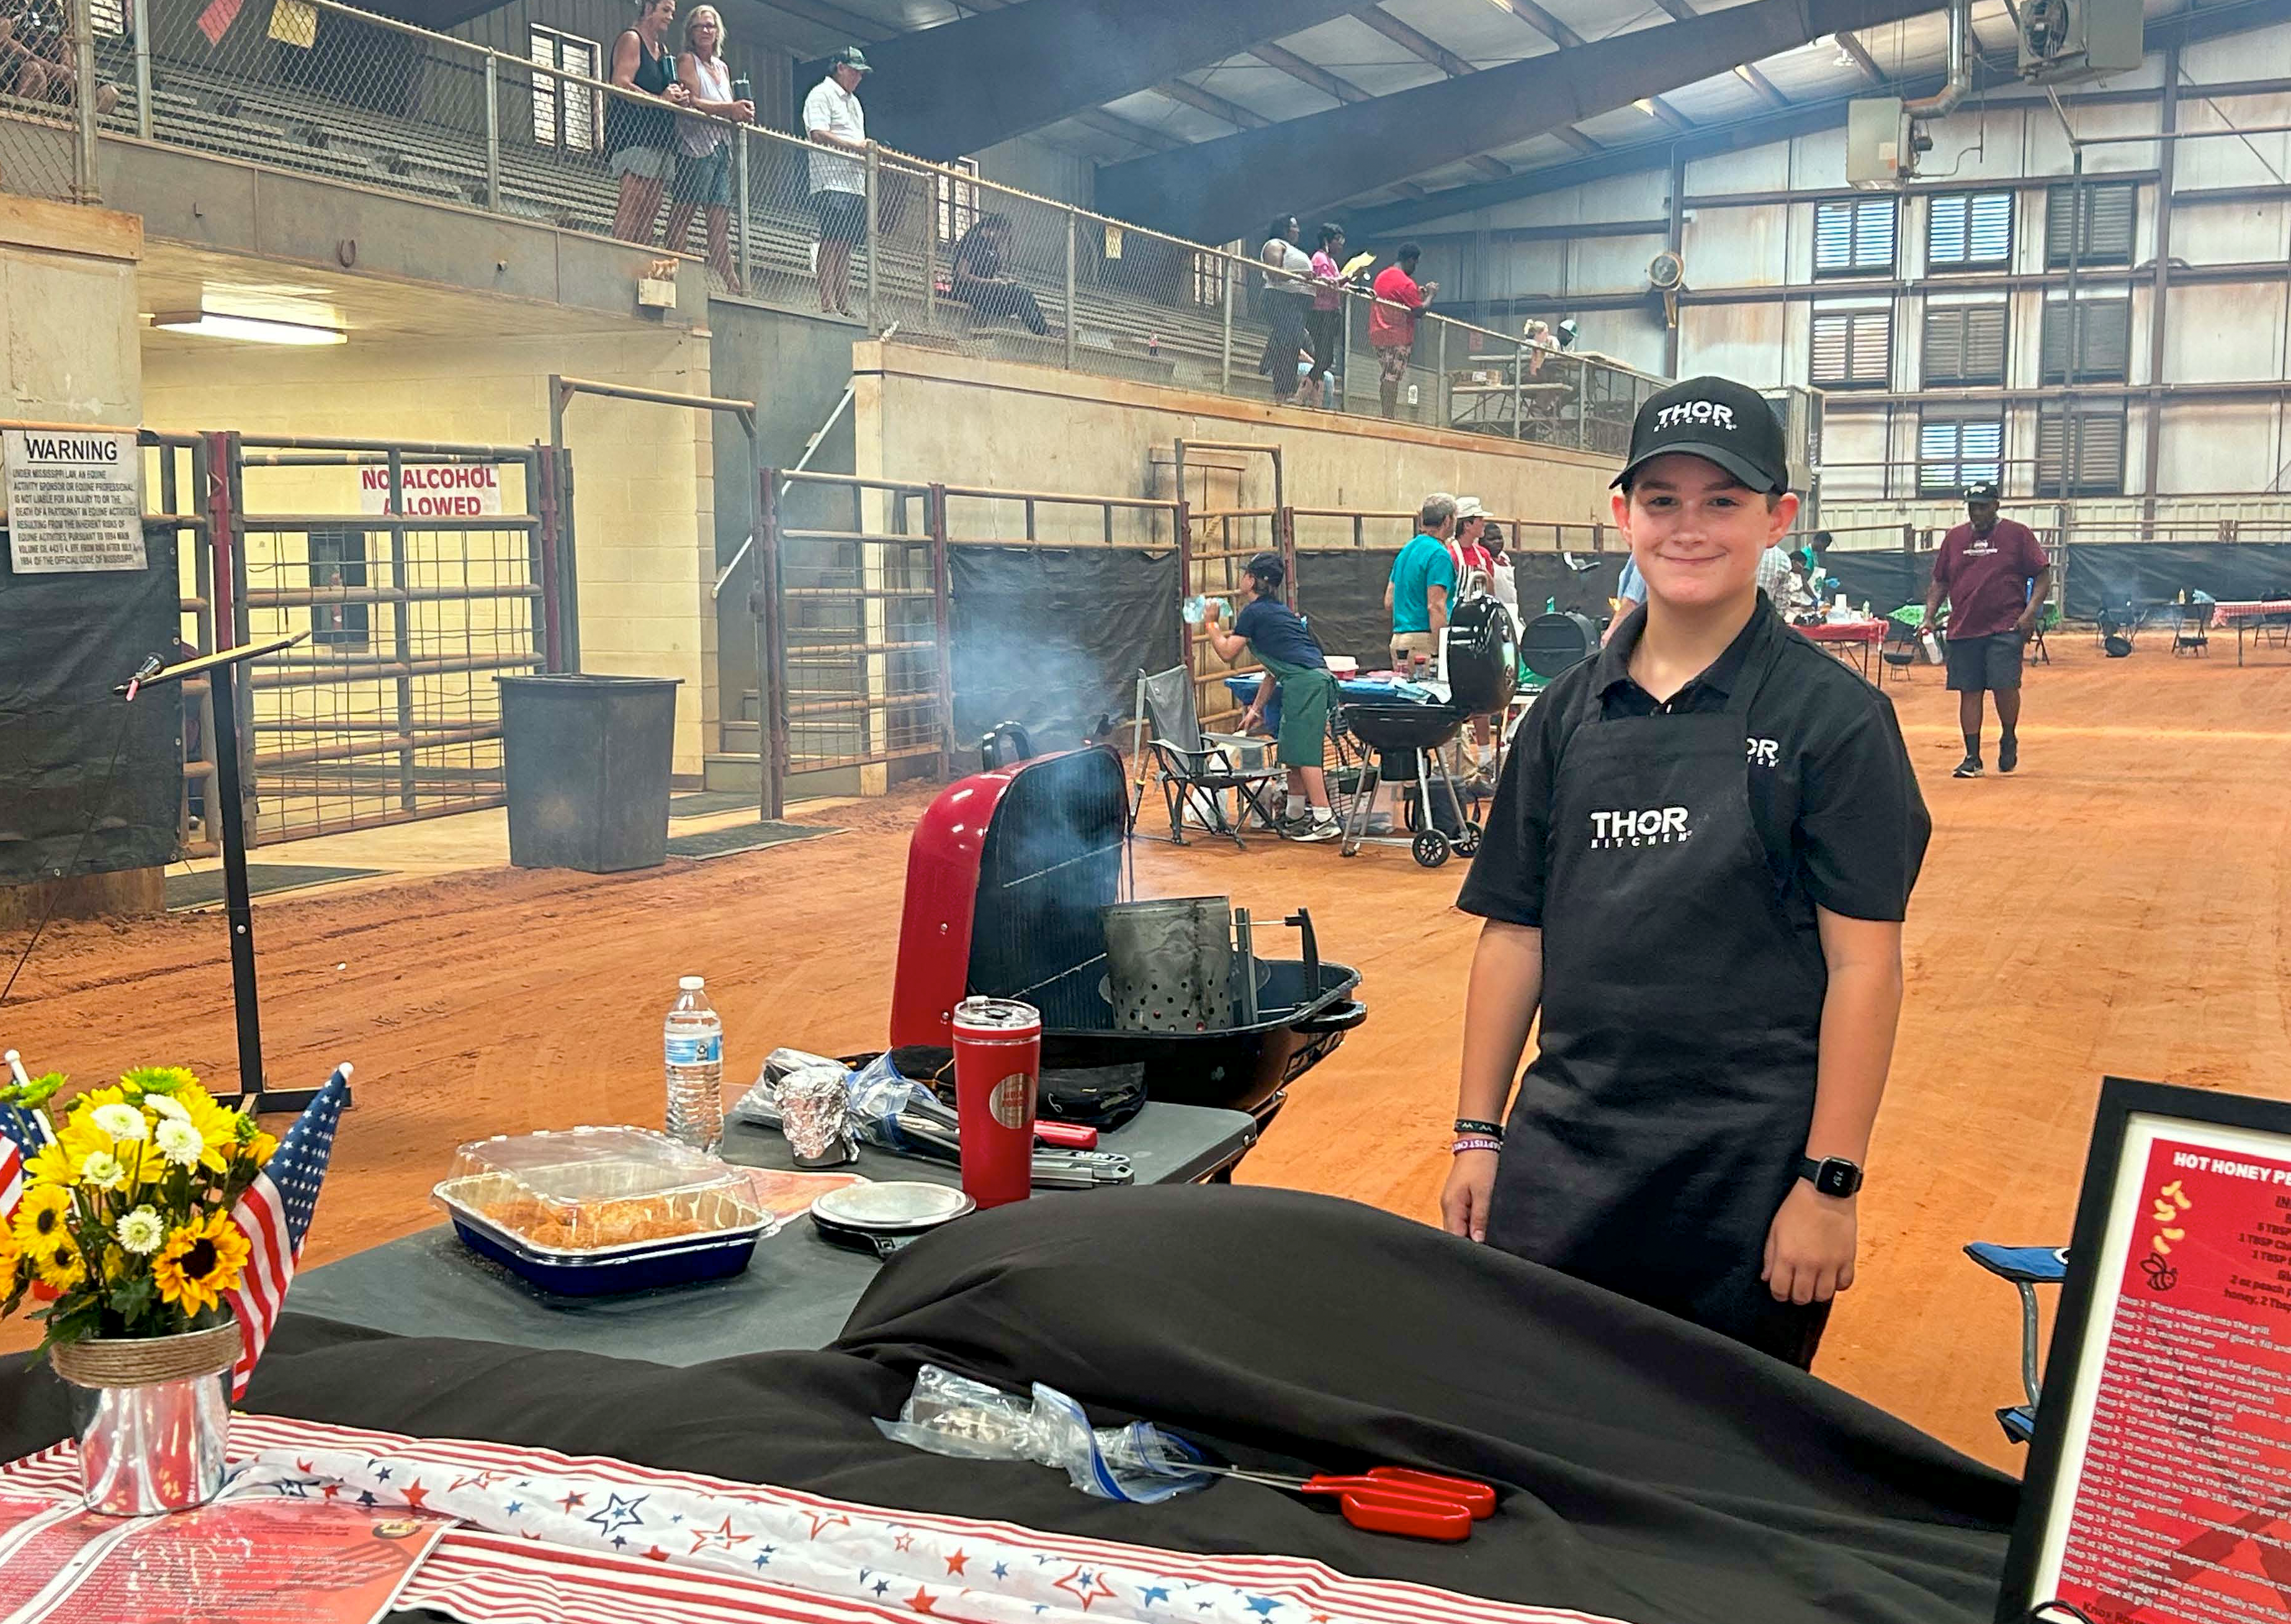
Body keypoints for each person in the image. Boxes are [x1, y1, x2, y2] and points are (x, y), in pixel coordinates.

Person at [1443, 374, 1929, 1370]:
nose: (1689, 528)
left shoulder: (1833, 722)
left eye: (1724, 501)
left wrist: (1829, 1183)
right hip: (1564, 1166)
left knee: (1720, 1472)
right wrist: (1478, 1135)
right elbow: (1515, 934)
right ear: (1623, 514)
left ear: (1778, 518)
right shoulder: (1566, 717)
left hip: (1744, 1184)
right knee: (1546, 1448)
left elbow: (1864, 969)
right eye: (1662, 500)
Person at [1200, 554, 1342, 843]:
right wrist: (1256, 709)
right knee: (1291, 751)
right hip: (1303, 681)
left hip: (1307, 683)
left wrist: (1211, 625)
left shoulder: (1254, 613)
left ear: (1251, 580)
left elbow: (1227, 652)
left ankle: (1325, 821)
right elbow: (1272, 672)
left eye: (1245, 575)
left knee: (1305, 754)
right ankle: (1295, 816)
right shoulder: (1276, 611)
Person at [1924, 482, 2050, 779]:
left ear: (1996, 505)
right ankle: (1972, 757)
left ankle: (2008, 736)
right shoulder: (1955, 539)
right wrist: (1929, 616)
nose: (1976, 513)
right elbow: (1941, 581)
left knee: (2005, 687)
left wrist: (2029, 613)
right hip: (1965, 626)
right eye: (1972, 507)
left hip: (2006, 625)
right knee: (1969, 691)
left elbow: (2042, 575)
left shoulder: (2017, 535)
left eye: (1982, 506)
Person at [665, 6, 753, 295]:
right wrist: (730, 109)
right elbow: (692, 101)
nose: (705, 31)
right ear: (690, 32)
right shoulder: (687, 60)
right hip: (695, 147)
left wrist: (738, 111)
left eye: (710, 26)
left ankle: (733, 284)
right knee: (684, 213)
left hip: (721, 148)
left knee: (719, 222)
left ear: (718, 32)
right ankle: (674, 273)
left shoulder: (722, 67)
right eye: (700, 26)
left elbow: (723, 105)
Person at [605, 0, 691, 247]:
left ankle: (641, 265)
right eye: (665, 10)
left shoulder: (663, 50)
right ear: (648, 9)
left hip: (661, 138)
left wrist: (677, 98)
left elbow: (666, 91)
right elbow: (621, 82)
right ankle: (621, 260)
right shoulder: (632, 39)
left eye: (672, 12)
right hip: (634, 133)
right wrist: (660, 99)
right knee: (634, 200)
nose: (670, 17)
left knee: (652, 207)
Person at [803, 46, 871, 317]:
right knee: (831, 239)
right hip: (831, 180)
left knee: (846, 244)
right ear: (840, 67)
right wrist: (856, 147)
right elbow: (818, 133)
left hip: (854, 182)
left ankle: (844, 302)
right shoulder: (821, 95)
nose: (858, 77)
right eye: (855, 71)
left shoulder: (854, 103)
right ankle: (827, 302)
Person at [0, 0, 117, 115]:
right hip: (19, 67)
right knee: (34, 72)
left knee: (108, 93)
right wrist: (47, 66)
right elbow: (4, 39)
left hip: (55, 75)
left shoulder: (50, 5)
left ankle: (85, 131)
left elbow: (64, 41)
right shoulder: (9, 3)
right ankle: (27, 125)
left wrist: (65, 66)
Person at [1386, 493, 1457, 674]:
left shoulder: (1406, 551)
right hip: (1423, 643)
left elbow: (1389, 602)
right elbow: (1436, 606)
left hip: (1398, 641)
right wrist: (1443, 650)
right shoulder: (1439, 555)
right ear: (1448, 520)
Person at [949, 213, 1048, 335]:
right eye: (1004, 234)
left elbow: (988, 274)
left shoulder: (992, 248)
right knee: (1020, 295)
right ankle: (1042, 333)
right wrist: (990, 283)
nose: (1005, 239)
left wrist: (1002, 281)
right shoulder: (973, 242)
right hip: (967, 292)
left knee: (1025, 293)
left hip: (984, 293)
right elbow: (961, 274)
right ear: (993, 229)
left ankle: (1046, 332)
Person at [1369, 243, 1436, 419]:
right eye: (1415, 263)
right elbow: (1419, 311)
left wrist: (1416, 293)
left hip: (1378, 332)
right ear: (1410, 260)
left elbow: (1402, 298)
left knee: (1386, 373)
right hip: (1398, 336)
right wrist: (1430, 295)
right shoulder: (1405, 283)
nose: (1415, 267)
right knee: (1392, 376)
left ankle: (1387, 414)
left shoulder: (1382, 276)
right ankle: (1388, 416)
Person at [1258, 215, 1314, 407]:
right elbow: (1273, 273)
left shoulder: (1293, 249)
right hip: (1281, 299)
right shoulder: (1274, 245)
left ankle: (1288, 392)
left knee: (1291, 349)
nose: (1298, 231)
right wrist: (1301, 276)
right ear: (1284, 229)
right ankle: (1281, 396)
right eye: (1294, 227)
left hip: (1297, 304)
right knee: (1284, 348)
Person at [1304, 223, 1354, 408]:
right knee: (1324, 357)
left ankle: (1311, 396)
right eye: (1337, 241)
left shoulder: (1331, 261)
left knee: (1325, 358)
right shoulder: (1319, 259)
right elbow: (1327, 283)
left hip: (1331, 312)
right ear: (1327, 240)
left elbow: (1339, 282)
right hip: (1320, 313)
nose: (1340, 246)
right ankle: (1302, 393)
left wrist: (1352, 283)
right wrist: (1345, 278)